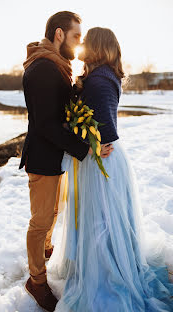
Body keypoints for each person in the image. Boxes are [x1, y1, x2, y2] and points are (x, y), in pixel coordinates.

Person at [47, 27, 173, 311]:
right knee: (99, 218)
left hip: (102, 158)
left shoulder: (101, 80)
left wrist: (81, 139)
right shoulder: (100, 75)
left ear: (96, 47)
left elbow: (105, 128)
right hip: (97, 157)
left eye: (87, 42)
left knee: (102, 221)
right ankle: (100, 263)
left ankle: (107, 274)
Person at [19, 12, 113, 312]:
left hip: (52, 154)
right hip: (43, 156)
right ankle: (36, 281)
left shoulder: (54, 65)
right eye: (76, 37)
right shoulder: (44, 68)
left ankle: (46, 249)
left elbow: (59, 107)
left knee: (52, 212)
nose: (79, 43)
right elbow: (47, 123)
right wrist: (85, 150)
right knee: (41, 220)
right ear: (59, 34)